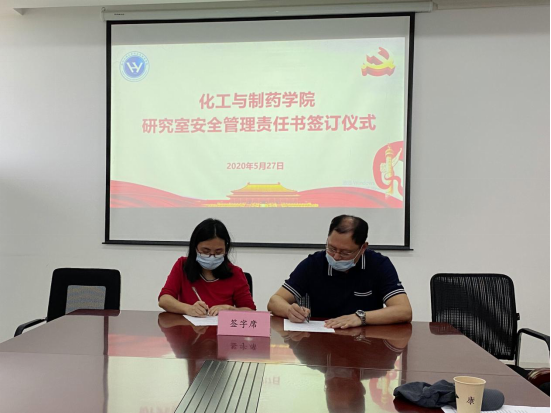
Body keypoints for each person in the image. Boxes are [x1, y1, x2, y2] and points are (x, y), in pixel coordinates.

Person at [268, 215, 412, 328]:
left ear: (363, 248)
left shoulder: (378, 264)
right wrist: (290, 311)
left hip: (365, 342)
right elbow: (275, 301)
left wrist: (360, 317)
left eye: (345, 252)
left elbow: (404, 311)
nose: (336, 257)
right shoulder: (314, 263)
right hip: (320, 342)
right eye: (331, 248)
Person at [158, 218, 256, 316]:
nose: (212, 256)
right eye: (206, 251)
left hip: (220, 326)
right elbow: (164, 299)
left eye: (218, 252)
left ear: (226, 250)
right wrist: (188, 309)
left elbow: (251, 311)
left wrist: (230, 309)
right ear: (195, 247)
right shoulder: (183, 265)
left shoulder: (235, 273)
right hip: (187, 325)